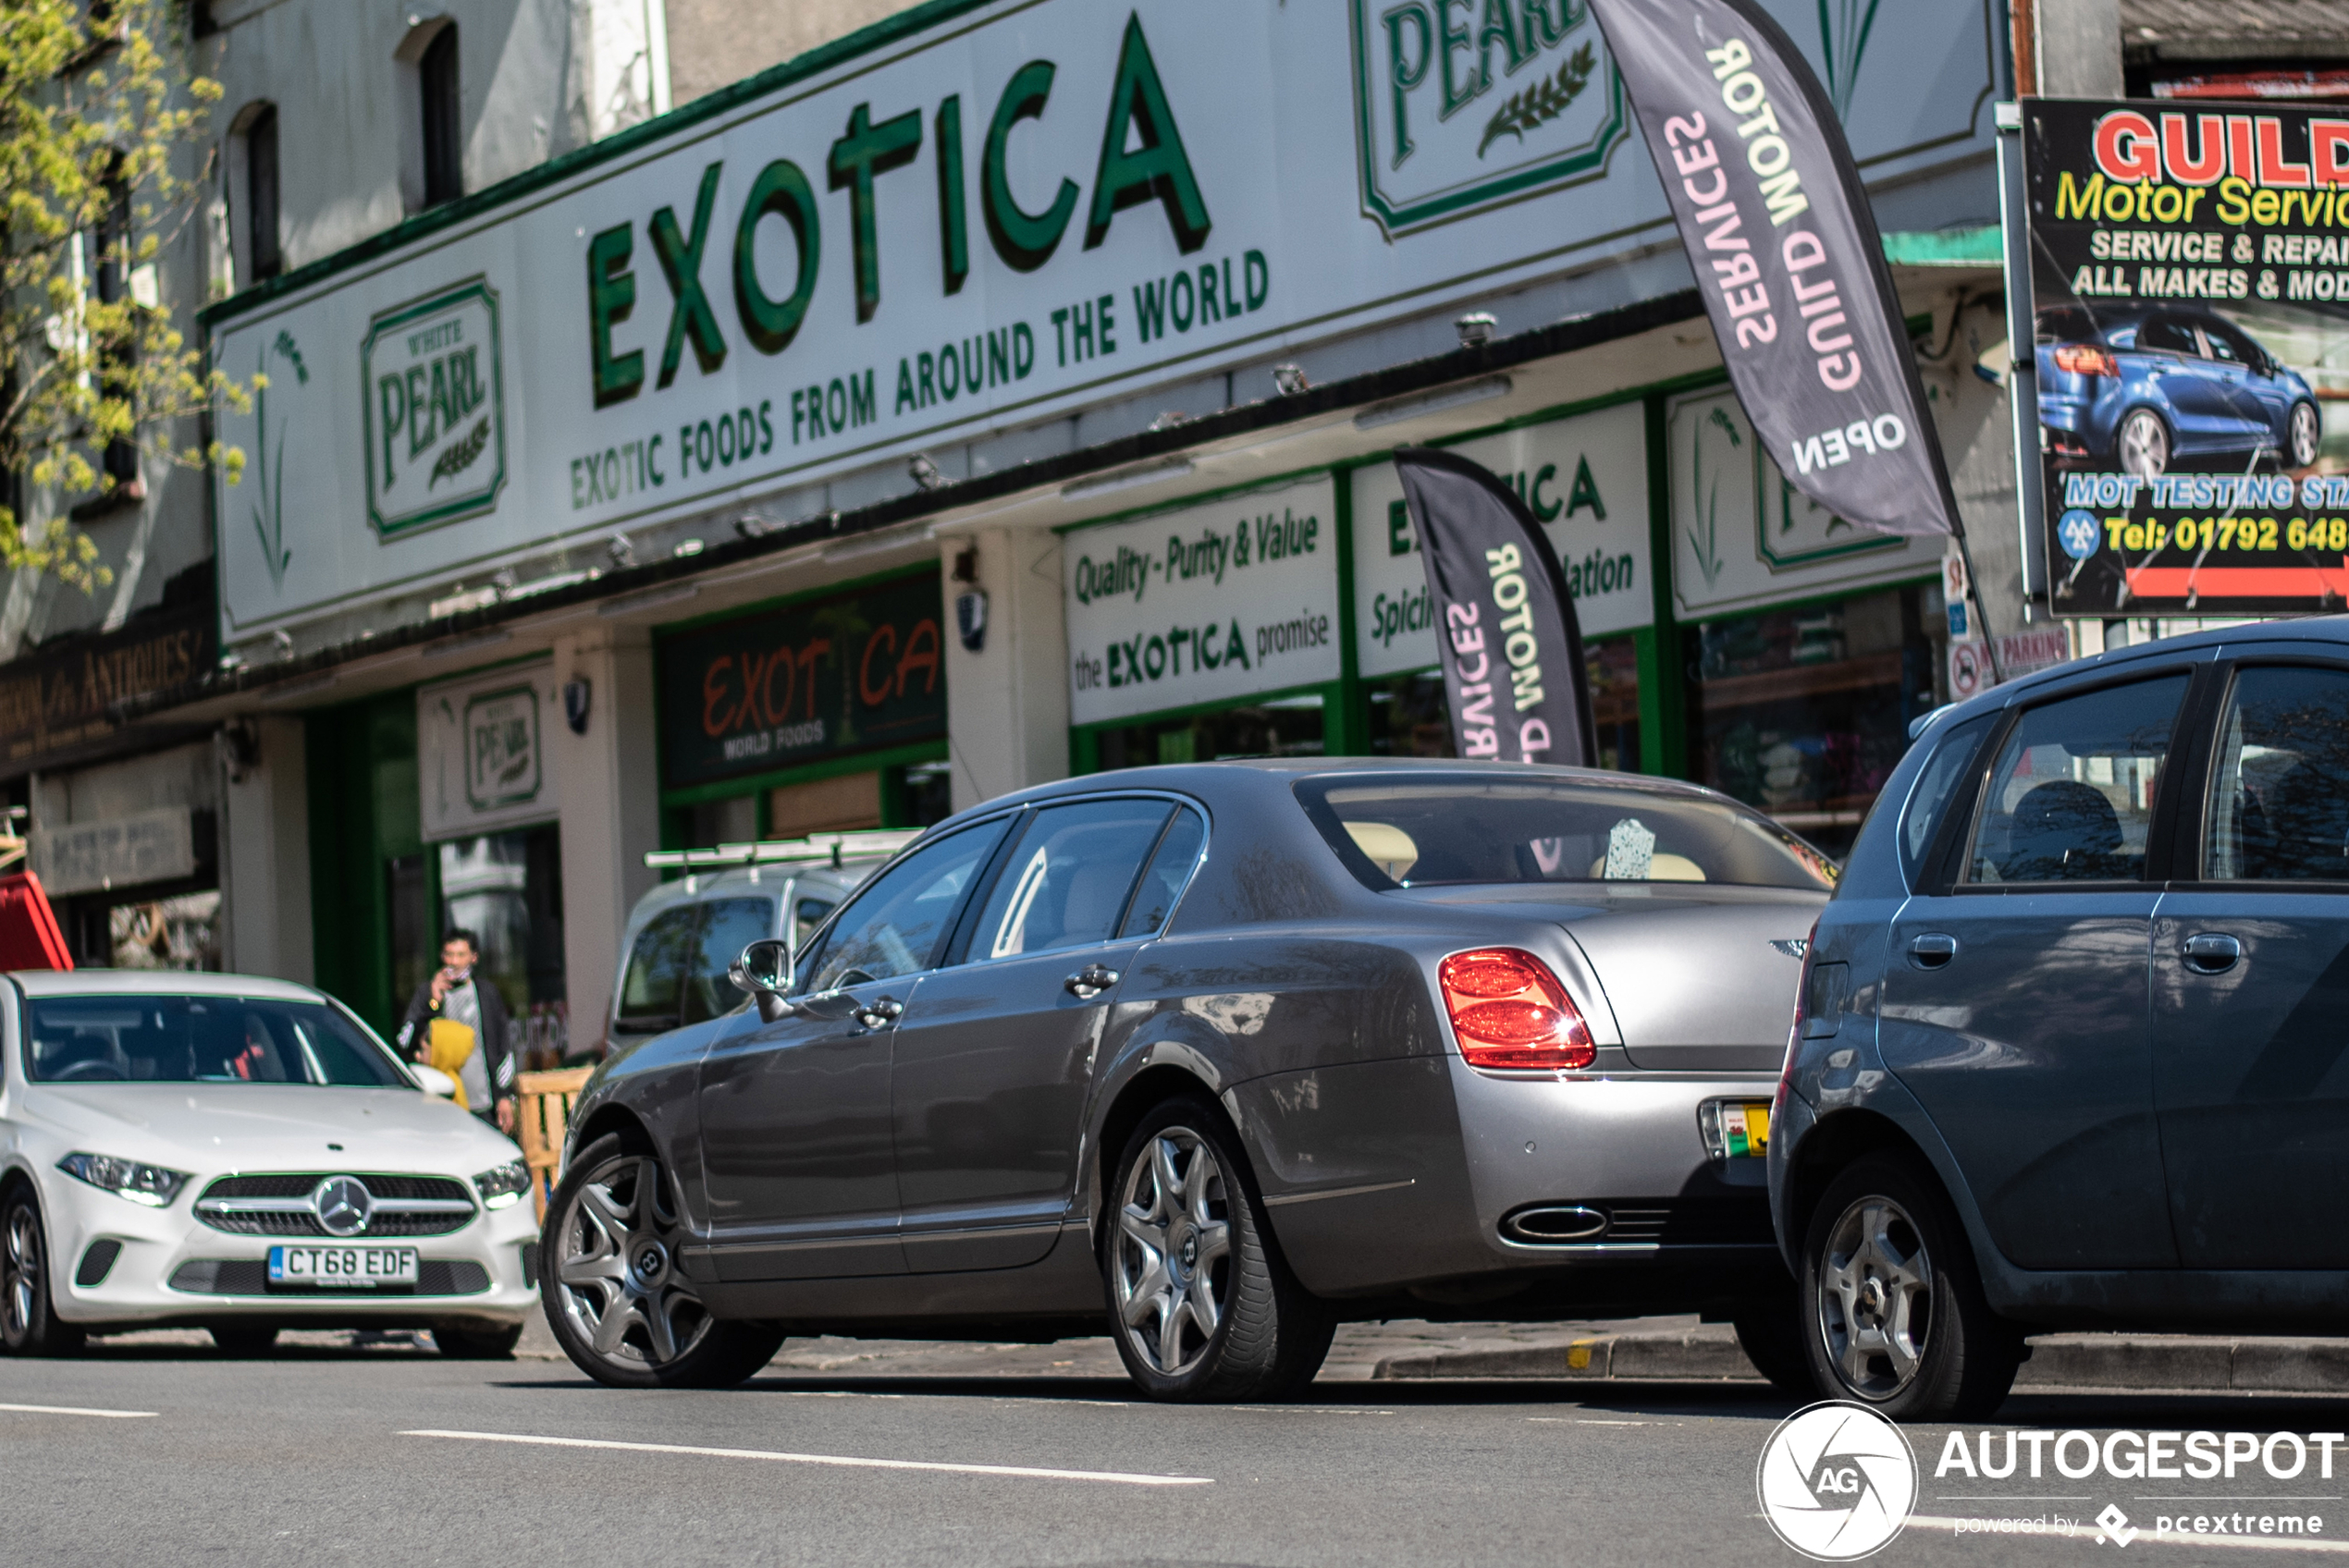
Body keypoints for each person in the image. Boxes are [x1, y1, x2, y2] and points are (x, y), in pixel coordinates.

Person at [395, 930, 517, 1133]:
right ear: (442, 957)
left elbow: (503, 1046)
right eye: (449, 954)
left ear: (473, 958)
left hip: (483, 1104)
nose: (454, 962)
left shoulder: (486, 993)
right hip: (442, 1106)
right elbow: (404, 1041)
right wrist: (433, 1002)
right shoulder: (428, 993)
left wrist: (504, 1096)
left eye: (461, 955)